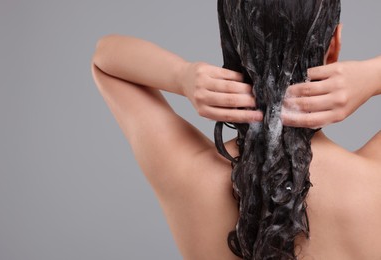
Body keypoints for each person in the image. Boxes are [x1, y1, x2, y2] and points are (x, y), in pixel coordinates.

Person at [91, 0, 381, 259]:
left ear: (229, 44)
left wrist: (181, 76)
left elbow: (104, 59)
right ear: (335, 45)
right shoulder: (372, 182)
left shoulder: (188, 175)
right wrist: (371, 76)